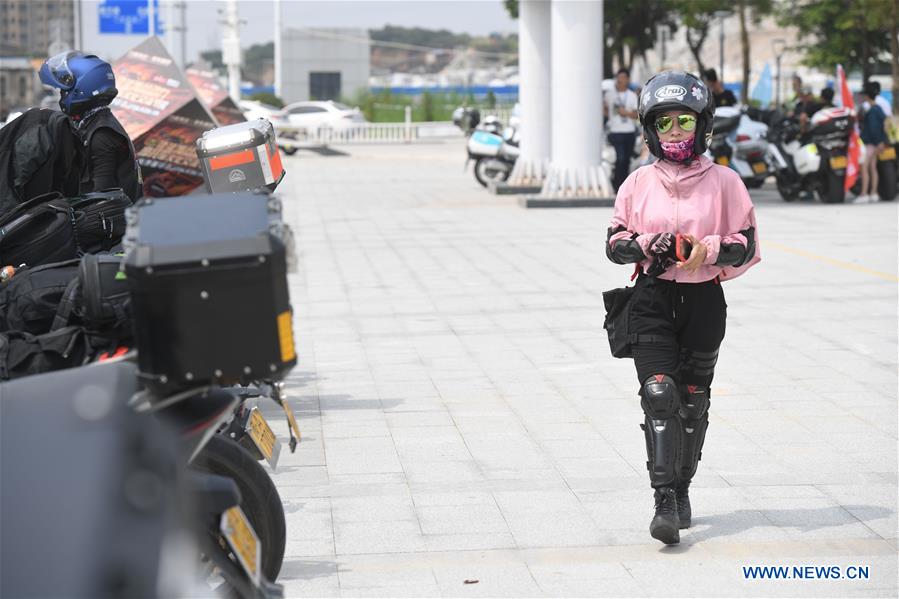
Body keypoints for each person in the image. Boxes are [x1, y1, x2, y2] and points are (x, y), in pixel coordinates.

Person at [607, 71, 760, 545]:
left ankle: (683, 485)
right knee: (658, 394)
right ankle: (663, 501)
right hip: (651, 299)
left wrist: (708, 249)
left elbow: (748, 243)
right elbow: (614, 243)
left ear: (702, 126)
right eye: (665, 123)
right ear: (651, 129)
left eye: (685, 122)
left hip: (703, 302)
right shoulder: (636, 183)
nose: (675, 132)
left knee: (692, 402)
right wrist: (645, 242)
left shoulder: (726, 182)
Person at [39, 51, 142, 201]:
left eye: (64, 90)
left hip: (108, 222)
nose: (62, 95)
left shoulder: (102, 134)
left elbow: (101, 196)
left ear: (82, 88)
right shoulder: (92, 122)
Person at [604, 68, 640, 191]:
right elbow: (604, 108)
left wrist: (625, 113)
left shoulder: (632, 95)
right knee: (620, 158)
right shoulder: (610, 94)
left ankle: (625, 185)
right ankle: (617, 185)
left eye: (624, 78)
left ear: (628, 79)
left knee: (626, 160)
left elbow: (636, 115)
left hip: (629, 131)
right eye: (619, 77)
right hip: (615, 131)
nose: (621, 80)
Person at [858, 81, 888, 203]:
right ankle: (873, 193)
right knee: (872, 168)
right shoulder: (879, 108)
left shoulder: (872, 111)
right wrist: (881, 142)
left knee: (864, 168)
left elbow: (874, 129)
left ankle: (864, 194)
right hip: (876, 143)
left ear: (867, 96)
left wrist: (877, 143)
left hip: (870, 144)